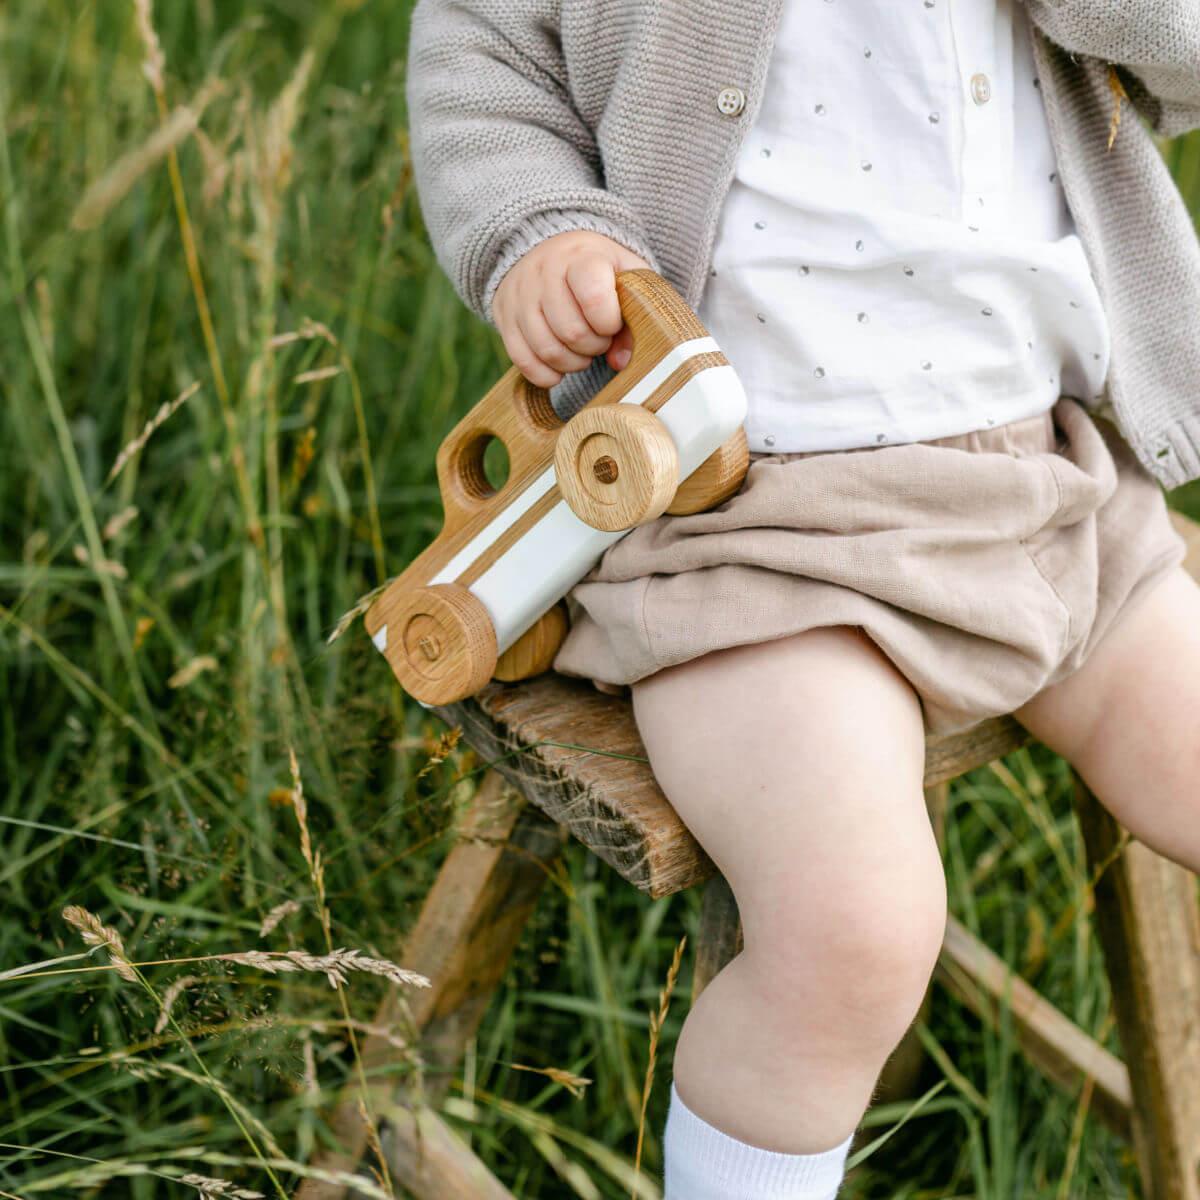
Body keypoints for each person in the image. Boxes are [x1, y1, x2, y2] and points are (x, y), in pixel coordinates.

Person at [404, 1, 1200, 1195]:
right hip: (754, 537)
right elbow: (485, 48)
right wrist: (538, 232)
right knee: (852, 931)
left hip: (1053, 489)